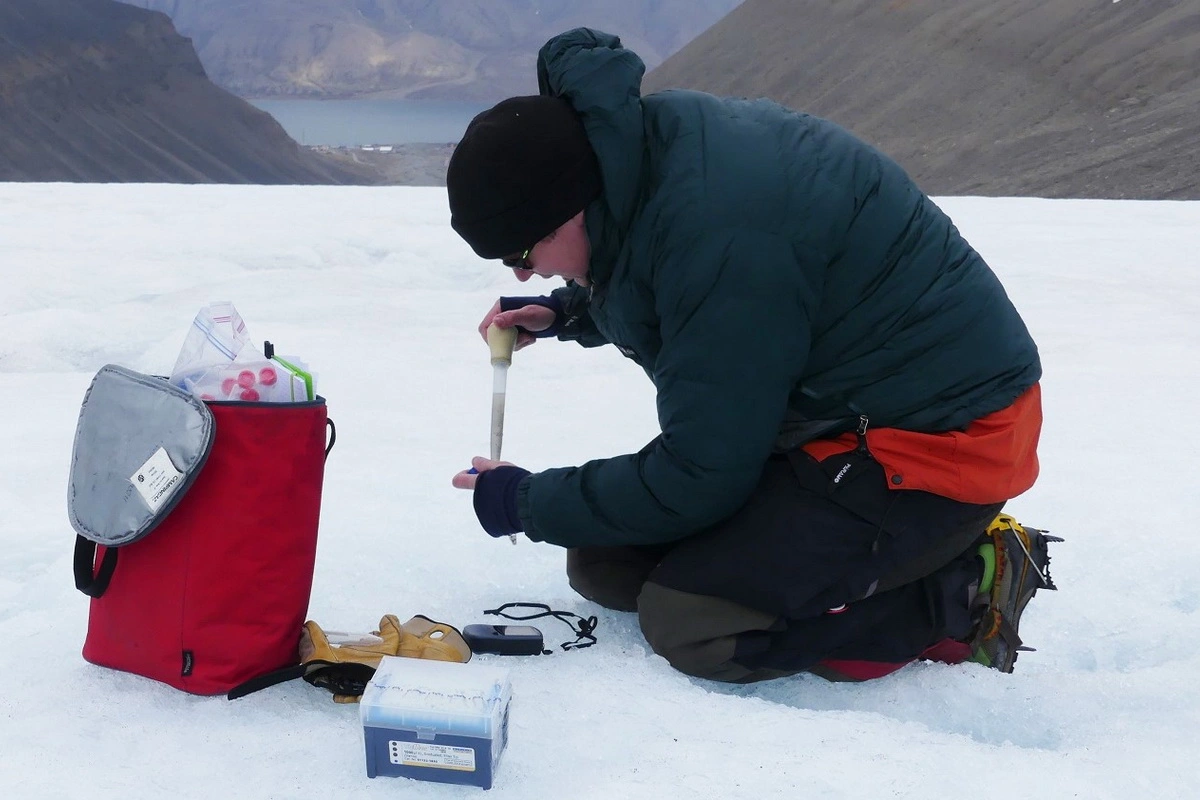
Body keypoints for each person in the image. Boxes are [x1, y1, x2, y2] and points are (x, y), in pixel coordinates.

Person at [447, 28, 1057, 683]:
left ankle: (963, 592)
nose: (528, 275)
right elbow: (654, 271)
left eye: (521, 255)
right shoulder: (634, 158)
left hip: (941, 442)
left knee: (694, 624)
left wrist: (526, 502)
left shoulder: (719, 238)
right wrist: (570, 311)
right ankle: (868, 570)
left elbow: (701, 473)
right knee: (604, 562)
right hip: (848, 415)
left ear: (568, 210)